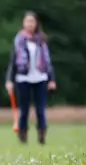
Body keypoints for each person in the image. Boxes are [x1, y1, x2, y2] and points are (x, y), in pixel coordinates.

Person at [5, 11, 56, 145]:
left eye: (32, 21)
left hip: (40, 78)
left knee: (40, 109)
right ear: (23, 23)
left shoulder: (41, 40)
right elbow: (13, 61)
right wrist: (9, 80)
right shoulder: (19, 39)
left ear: (36, 23)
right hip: (23, 78)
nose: (30, 24)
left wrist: (52, 79)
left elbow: (48, 61)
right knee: (24, 109)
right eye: (27, 21)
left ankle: (41, 135)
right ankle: (22, 136)